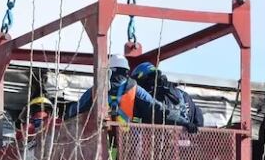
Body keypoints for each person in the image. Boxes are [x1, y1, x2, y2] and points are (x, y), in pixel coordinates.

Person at [65, 55, 198, 132]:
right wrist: (183, 122)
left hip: (101, 144)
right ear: (127, 71)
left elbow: (75, 111)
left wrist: (66, 109)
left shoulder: (96, 90)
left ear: (108, 70)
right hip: (129, 145)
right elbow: (158, 110)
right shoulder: (135, 89)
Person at [130, 61, 204, 128]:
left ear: (142, 79)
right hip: (190, 140)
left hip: (161, 140)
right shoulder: (184, 95)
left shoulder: (154, 96)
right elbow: (198, 118)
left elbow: (161, 114)